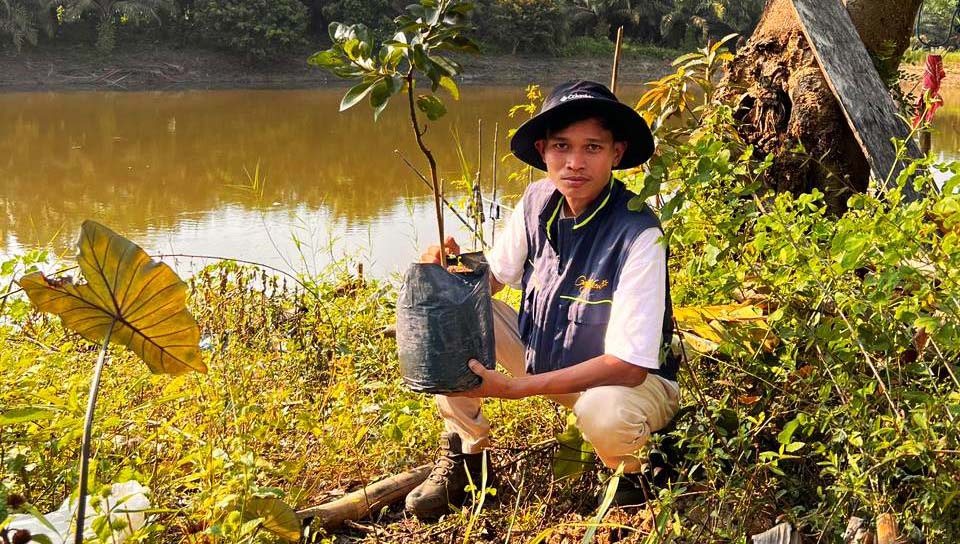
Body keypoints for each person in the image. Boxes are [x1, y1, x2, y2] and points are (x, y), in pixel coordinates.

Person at [405, 80, 681, 519]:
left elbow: (628, 367)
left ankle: (632, 478)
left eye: (593, 147)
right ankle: (467, 459)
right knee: (451, 319)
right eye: (562, 146)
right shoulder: (538, 201)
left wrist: (515, 388)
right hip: (546, 359)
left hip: (627, 386)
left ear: (617, 153)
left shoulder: (638, 233)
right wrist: (449, 270)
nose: (575, 162)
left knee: (604, 411)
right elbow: (494, 277)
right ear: (543, 150)